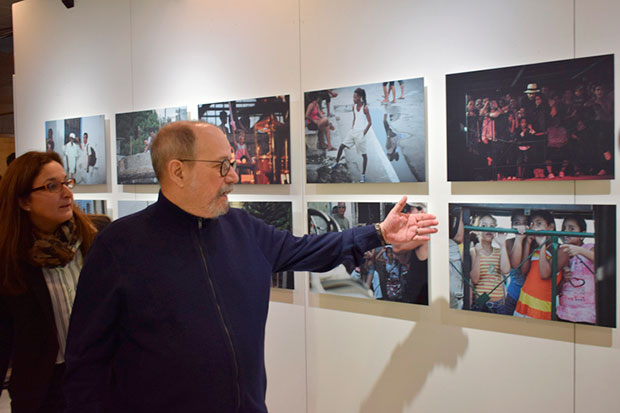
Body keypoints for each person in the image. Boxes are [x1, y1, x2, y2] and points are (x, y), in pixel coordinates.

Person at [63, 121, 438, 412]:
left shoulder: (241, 229)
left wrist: (379, 234)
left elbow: (307, 249)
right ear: (177, 171)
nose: (232, 175)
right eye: (222, 165)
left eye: (233, 163)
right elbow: (86, 364)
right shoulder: (119, 247)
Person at [0, 151, 105, 412]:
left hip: (101, 378)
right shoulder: (9, 260)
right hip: (44, 390)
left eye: (66, 183)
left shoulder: (97, 238)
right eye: (52, 187)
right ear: (24, 201)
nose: (68, 194)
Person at [514, 210, 569, 320]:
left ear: (551, 227)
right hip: (524, 300)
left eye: (539, 223)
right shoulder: (534, 246)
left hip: (542, 305)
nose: (535, 228)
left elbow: (544, 274)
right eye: (533, 224)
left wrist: (542, 245)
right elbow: (524, 271)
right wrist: (528, 243)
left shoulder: (562, 250)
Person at [557, 215, 596, 323]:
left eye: (571, 228)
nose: (566, 232)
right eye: (564, 228)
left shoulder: (589, 247)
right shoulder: (562, 252)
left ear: (582, 234)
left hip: (587, 313)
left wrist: (579, 250)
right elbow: (557, 288)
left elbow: (600, 259)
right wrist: (564, 279)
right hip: (564, 312)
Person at [331, 88, 372, 182]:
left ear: (360, 97)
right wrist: (352, 128)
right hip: (353, 132)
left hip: (360, 134)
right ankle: (336, 162)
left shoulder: (365, 108)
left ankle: (363, 175)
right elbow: (355, 118)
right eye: (353, 97)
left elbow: (370, 122)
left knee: (364, 155)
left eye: (355, 97)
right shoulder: (354, 106)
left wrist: (363, 133)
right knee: (341, 146)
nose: (353, 98)